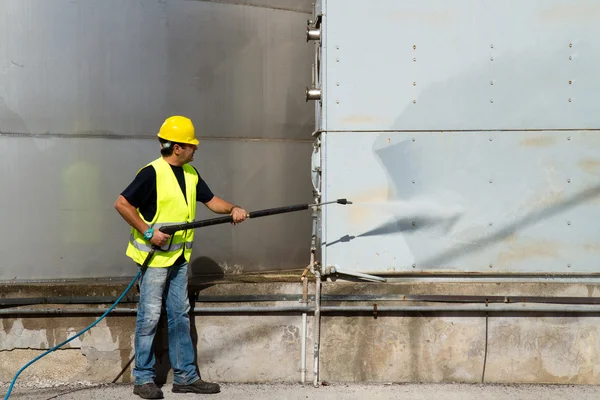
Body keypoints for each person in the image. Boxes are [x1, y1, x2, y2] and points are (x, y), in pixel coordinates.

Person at [114, 115, 248, 399]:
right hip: (154, 260)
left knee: (179, 316)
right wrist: (148, 232)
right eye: (191, 145)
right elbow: (122, 204)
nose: (195, 149)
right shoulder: (151, 173)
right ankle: (143, 379)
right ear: (177, 147)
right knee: (149, 317)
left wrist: (234, 208)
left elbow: (212, 202)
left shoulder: (191, 174)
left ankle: (186, 377)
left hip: (178, 259)